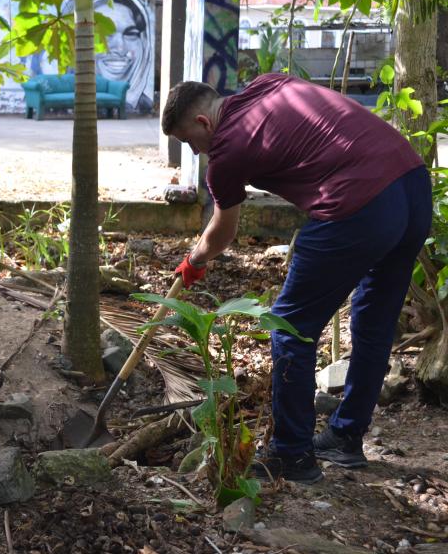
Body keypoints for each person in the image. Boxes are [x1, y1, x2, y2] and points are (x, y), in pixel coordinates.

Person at [162, 73, 431, 484]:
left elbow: (223, 231)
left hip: (359, 203)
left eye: (188, 141)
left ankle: (292, 453)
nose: (195, 151)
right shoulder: (268, 84)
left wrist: (194, 260)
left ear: (202, 123)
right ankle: (345, 437)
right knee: (374, 322)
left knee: (289, 326)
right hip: (411, 185)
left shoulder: (226, 152)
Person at [93, 0, 154, 113]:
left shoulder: (145, 105)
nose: (120, 49)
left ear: (144, 44)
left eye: (131, 34)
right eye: (105, 34)